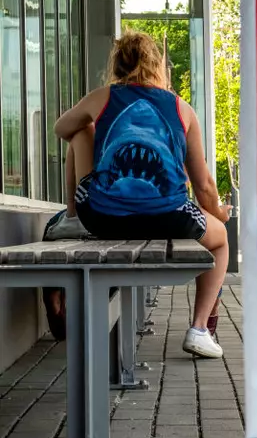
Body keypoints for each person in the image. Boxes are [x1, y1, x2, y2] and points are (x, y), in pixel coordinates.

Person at [45, 30, 229, 358]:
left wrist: (92, 124)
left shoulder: (102, 96)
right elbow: (203, 185)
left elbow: (60, 129)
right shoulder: (182, 108)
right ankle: (201, 329)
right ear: (158, 65)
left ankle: (72, 216)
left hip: (101, 216)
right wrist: (216, 213)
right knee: (221, 239)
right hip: (171, 217)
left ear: (116, 64)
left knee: (79, 132)